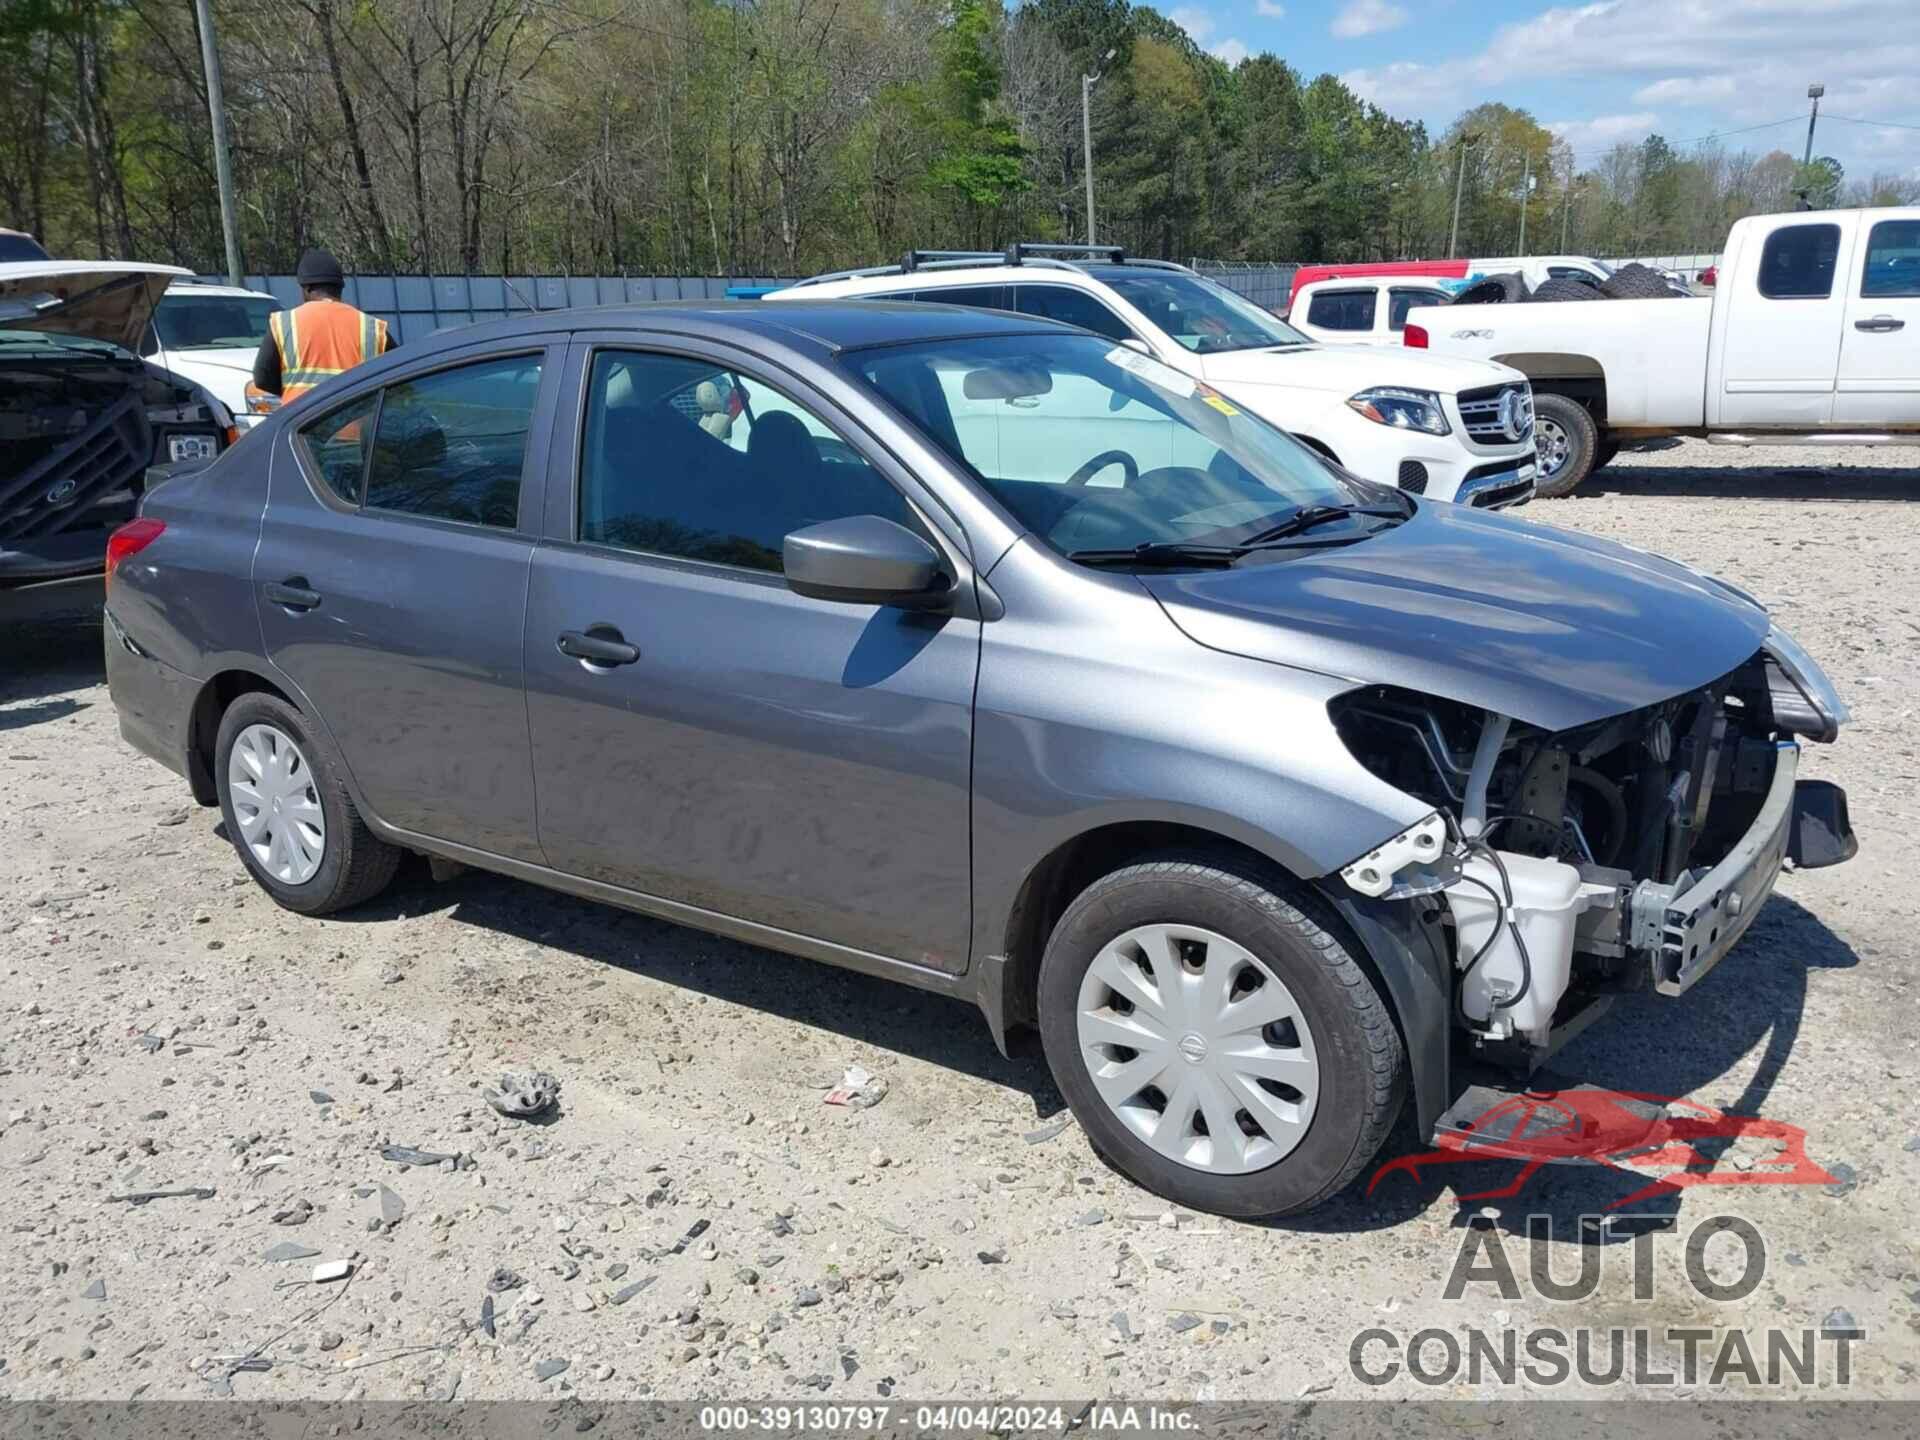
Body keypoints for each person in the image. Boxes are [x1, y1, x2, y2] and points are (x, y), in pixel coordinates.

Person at [250, 248, 393, 407]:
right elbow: (398, 376)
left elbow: (262, 378)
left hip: (301, 423)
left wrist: (293, 392)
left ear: (307, 288)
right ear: (340, 287)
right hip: (357, 426)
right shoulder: (371, 327)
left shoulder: (285, 323)